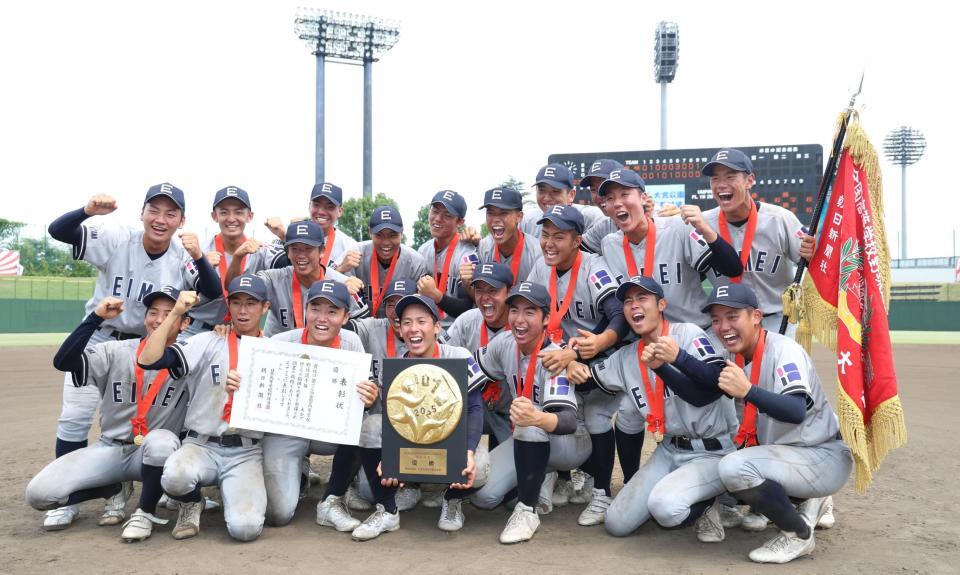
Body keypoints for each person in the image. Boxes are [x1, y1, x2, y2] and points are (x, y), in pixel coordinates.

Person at [43, 183, 221, 530]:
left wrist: (200, 257)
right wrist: (87, 211)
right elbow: (58, 231)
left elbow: (212, 294)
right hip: (102, 337)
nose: (161, 219)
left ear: (181, 220)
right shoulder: (116, 238)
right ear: (142, 213)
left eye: (171, 213)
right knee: (75, 418)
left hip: (147, 348)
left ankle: (169, 489)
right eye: (154, 210)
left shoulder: (183, 256)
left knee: (163, 422)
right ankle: (79, 497)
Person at [567, 276, 738, 540]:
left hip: (712, 450)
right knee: (616, 523)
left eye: (642, 298)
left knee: (666, 509)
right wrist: (571, 362)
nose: (634, 305)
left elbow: (711, 388)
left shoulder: (688, 334)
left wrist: (674, 360)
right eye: (628, 301)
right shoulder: (626, 356)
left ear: (661, 305)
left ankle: (706, 503)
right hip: (668, 450)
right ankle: (683, 490)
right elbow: (588, 380)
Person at [26, 288, 191, 541]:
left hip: (154, 452)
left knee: (161, 441)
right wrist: (95, 318)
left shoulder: (189, 357)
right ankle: (111, 487)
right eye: (153, 312)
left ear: (184, 322)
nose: (159, 320)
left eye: (169, 314)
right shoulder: (116, 351)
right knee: (39, 494)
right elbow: (64, 362)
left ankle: (144, 512)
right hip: (110, 448)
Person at [704, 283, 852, 563]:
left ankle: (798, 535)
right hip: (792, 454)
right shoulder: (732, 355)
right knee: (723, 463)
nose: (723, 326)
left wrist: (747, 391)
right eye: (716, 319)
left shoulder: (785, 351)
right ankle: (810, 500)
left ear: (756, 316)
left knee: (735, 468)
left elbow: (796, 410)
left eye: (732, 316)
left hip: (822, 454)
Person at [135, 276, 274, 542]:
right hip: (200, 446)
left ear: (265, 307)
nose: (243, 311)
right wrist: (176, 311)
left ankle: (233, 493)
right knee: (175, 477)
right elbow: (148, 359)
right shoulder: (207, 341)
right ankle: (192, 502)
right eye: (236, 303)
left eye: (251, 303)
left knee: (245, 529)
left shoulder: (274, 351)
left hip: (245, 452)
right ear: (228, 307)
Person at [525, 204, 633, 523]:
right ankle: (563, 475)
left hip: (607, 353)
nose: (549, 243)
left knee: (599, 414)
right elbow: (533, 325)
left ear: (577, 240)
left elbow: (618, 316)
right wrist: (565, 356)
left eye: (559, 236)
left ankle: (602, 491)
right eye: (545, 235)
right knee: (550, 405)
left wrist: (584, 351)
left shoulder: (593, 266)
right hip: (563, 353)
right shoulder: (540, 268)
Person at [472, 282, 590, 544]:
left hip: (570, 444)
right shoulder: (504, 343)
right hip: (530, 437)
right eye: (514, 310)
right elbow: (470, 371)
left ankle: (527, 510)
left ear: (546, 318)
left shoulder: (556, 357)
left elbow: (568, 422)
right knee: (484, 497)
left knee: (528, 416)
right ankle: (541, 477)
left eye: (530, 312)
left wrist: (535, 418)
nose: (520, 320)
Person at [261, 280, 380, 528]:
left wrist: (370, 397)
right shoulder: (281, 341)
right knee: (277, 514)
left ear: (346, 317)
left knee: (365, 425)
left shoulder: (352, 343)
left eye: (333, 311)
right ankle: (299, 467)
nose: (322, 318)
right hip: (288, 431)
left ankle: (333, 499)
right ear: (305, 311)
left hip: (329, 432)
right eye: (315, 308)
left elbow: (363, 394)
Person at [374, 294, 490, 534]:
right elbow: (394, 420)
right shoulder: (396, 366)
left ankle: (452, 498)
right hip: (417, 441)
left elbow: (476, 408)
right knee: (370, 487)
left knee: (475, 468)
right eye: (406, 322)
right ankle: (412, 487)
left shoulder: (459, 355)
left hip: (453, 439)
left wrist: (467, 452)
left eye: (421, 321)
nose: (413, 329)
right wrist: (391, 457)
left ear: (437, 326)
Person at [681, 148, 816, 336]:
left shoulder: (779, 218)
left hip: (776, 320)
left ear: (749, 180)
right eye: (715, 179)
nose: (721, 184)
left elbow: (814, 261)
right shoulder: (701, 225)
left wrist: (815, 252)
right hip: (727, 324)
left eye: (730, 177)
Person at [597, 169, 743, 328]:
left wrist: (705, 228)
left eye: (624, 194)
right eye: (610, 198)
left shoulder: (677, 228)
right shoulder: (609, 245)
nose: (617, 203)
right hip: (646, 341)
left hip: (694, 333)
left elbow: (733, 268)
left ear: (643, 198)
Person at [231, 220, 364, 337]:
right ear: (288, 252)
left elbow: (362, 327)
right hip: (280, 354)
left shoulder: (342, 284)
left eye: (308, 249)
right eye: (295, 249)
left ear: (322, 251)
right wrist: (237, 257)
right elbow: (236, 288)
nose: (301, 255)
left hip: (324, 356)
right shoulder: (274, 279)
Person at [184, 186, 285, 336]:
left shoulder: (260, 249)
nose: (231, 218)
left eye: (238, 212)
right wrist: (203, 262)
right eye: (224, 212)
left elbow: (299, 261)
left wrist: (284, 235)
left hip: (242, 333)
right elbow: (212, 291)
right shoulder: (200, 251)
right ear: (214, 216)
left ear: (249, 216)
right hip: (199, 330)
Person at [445, 262, 515, 448]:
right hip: (476, 409)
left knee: (514, 473)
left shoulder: (521, 324)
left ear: (509, 292)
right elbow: (441, 359)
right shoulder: (467, 320)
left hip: (514, 414)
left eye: (493, 290)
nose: (485, 298)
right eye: (479, 290)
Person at [345, 206, 428, 317]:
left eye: (392, 235)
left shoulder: (416, 262)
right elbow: (328, 283)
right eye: (379, 235)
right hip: (361, 324)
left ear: (402, 233)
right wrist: (340, 270)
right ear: (370, 232)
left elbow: (422, 307)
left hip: (401, 327)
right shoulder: (355, 253)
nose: (385, 242)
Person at [265, 182, 360, 273]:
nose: (321, 212)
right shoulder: (285, 233)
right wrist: (286, 238)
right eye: (316, 205)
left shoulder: (350, 247)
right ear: (309, 206)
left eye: (329, 207)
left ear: (340, 211)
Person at [464, 187, 542, 298]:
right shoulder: (483, 247)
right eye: (490, 213)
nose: (496, 219)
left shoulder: (537, 252)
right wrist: (467, 285)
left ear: (519, 217)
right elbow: (481, 298)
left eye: (503, 213)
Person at [416, 190, 477, 330]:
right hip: (428, 328)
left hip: (458, 330)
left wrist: (436, 296)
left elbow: (467, 307)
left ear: (460, 222)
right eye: (435, 211)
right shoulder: (423, 250)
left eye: (447, 215)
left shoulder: (467, 254)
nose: (437, 218)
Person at [520, 163, 605, 239]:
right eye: (541, 190)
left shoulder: (593, 217)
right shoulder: (527, 220)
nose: (547, 198)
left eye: (555, 191)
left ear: (571, 195)